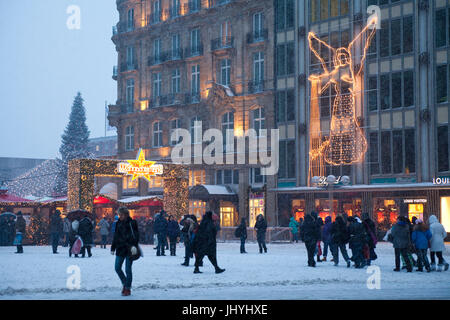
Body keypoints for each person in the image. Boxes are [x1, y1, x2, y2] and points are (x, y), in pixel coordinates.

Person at [111, 207, 140, 296]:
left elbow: (136, 235)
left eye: (121, 215)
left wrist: (134, 246)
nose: (119, 216)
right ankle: (125, 283)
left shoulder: (132, 223)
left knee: (128, 269)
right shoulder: (118, 223)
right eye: (119, 215)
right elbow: (115, 236)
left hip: (129, 249)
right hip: (120, 248)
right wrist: (113, 247)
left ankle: (127, 288)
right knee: (117, 268)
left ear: (126, 214)